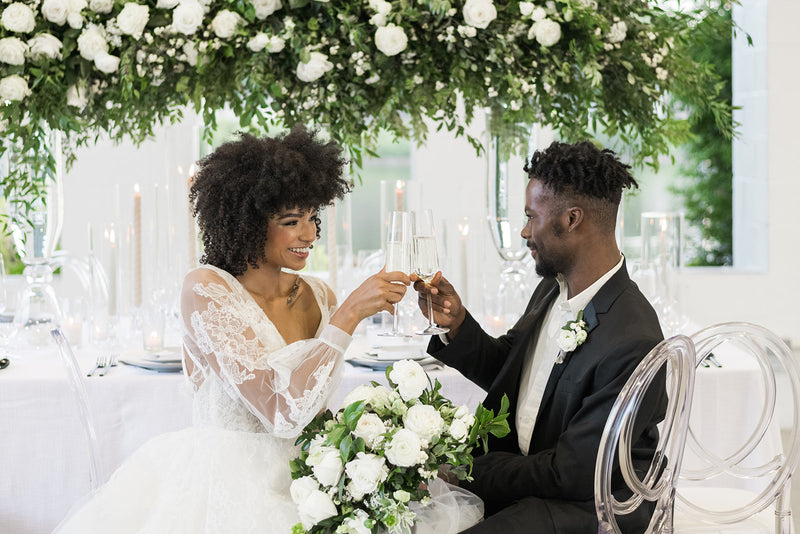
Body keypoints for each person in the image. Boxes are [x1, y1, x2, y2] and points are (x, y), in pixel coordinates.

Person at [54, 127, 464, 533]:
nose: (309, 234)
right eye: (292, 221)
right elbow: (282, 413)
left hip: (311, 485)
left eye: (312, 217)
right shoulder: (206, 290)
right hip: (225, 493)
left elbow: (315, 415)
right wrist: (351, 314)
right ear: (249, 223)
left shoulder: (320, 296)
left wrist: (380, 451)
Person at [413, 141, 667, 533]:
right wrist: (457, 324)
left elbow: (573, 472)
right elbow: (514, 373)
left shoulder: (632, 338)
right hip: (537, 483)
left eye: (531, 216)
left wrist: (466, 471)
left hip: (592, 507)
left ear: (571, 219)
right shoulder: (553, 287)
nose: (524, 230)